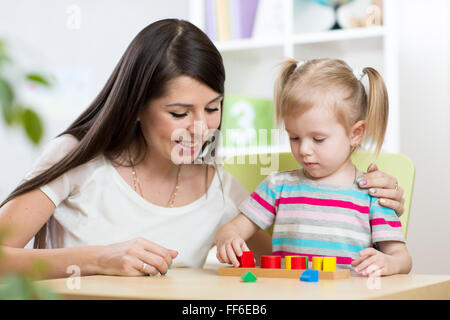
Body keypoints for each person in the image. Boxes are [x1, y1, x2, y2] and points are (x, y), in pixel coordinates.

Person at [0, 20, 405, 279]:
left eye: (212, 109)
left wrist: (363, 193)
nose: (200, 128)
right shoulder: (78, 159)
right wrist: (97, 259)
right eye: (179, 112)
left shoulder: (223, 192)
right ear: (137, 107)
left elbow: (295, 256)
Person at [215, 58, 412, 277]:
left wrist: (388, 263)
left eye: (318, 139)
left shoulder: (373, 194)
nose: (304, 150)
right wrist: (228, 238)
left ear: (355, 134)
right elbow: (232, 228)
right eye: (294, 137)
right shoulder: (278, 186)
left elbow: (402, 257)